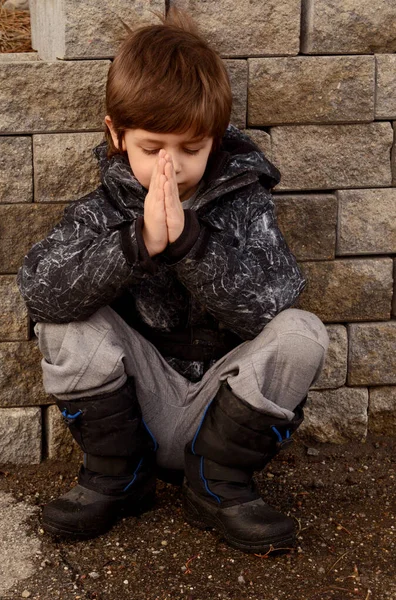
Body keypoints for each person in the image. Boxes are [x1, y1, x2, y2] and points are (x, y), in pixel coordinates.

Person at [17, 8, 329, 553]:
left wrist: (190, 246)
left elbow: (270, 307)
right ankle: (117, 480)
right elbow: (41, 289)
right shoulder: (105, 205)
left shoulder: (244, 199)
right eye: (153, 148)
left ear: (216, 136)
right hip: (135, 405)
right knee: (65, 322)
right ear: (116, 134)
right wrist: (137, 244)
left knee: (301, 332)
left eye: (191, 148)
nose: (173, 166)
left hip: (222, 406)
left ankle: (219, 488)